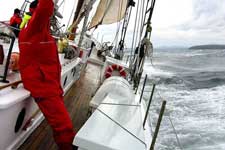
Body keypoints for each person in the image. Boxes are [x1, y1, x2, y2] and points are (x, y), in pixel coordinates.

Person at [18, 0, 77, 149]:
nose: (51, 18)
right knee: (64, 126)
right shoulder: (34, 28)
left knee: (62, 124)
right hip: (44, 87)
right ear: (36, 13)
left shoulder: (37, 31)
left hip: (50, 85)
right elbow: (45, 8)